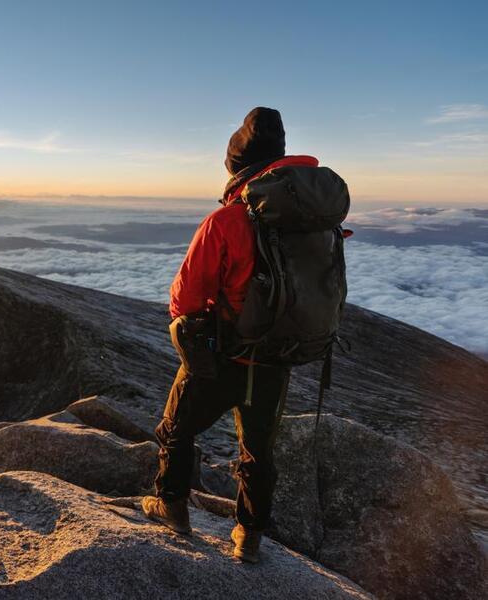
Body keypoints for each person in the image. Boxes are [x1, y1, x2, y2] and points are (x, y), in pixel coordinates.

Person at [142, 107, 321, 563]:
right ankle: (249, 536)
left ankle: (172, 505)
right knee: (258, 451)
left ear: (236, 166)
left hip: (225, 357)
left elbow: (184, 300)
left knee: (174, 430)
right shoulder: (311, 220)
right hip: (279, 357)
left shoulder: (224, 222)